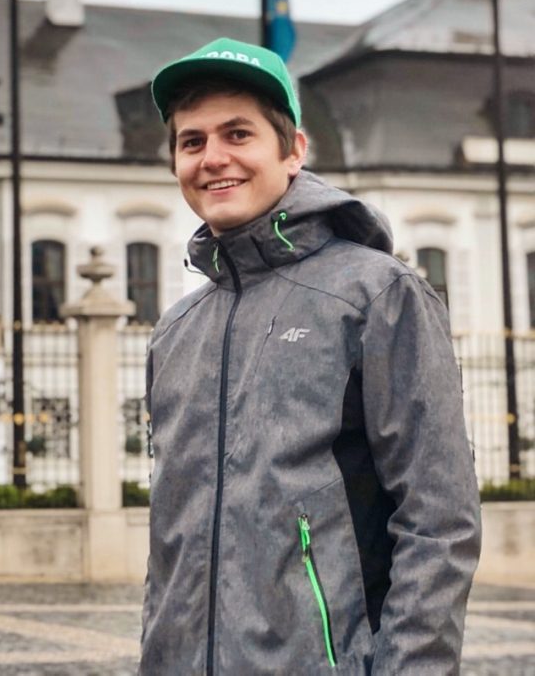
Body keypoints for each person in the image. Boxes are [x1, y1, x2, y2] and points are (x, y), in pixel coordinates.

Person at [139, 37, 481, 675]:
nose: (213, 159)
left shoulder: (377, 294)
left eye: (238, 134)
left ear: (293, 150)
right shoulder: (177, 329)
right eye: (192, 141)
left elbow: (440, 522)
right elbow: (170, 550)